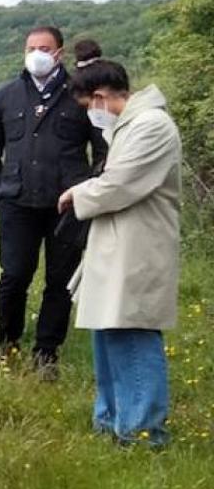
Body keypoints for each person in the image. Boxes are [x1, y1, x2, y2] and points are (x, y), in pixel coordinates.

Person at [58, 59, 182, 445]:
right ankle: (111, 421)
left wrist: (77, 193)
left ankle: (143, 431)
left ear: (100, 97)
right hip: (116, 244)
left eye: (88, 107)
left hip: (138, 246)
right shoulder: (131, 125)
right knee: (109, 332)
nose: (90, 116)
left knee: (133, 330)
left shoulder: (151, 126)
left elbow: (120, 184)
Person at [0, 25, 108, 375]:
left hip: (68, 206)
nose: (37, 53)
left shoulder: (81, 95)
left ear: (59, 53)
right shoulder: (5, 96)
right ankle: (6, 345)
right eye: (31, 47)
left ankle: (46, 353)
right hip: (17, 202)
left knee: (60, 281)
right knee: (14, 276)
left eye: (44, 47)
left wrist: (91, 190)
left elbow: (102, 150)